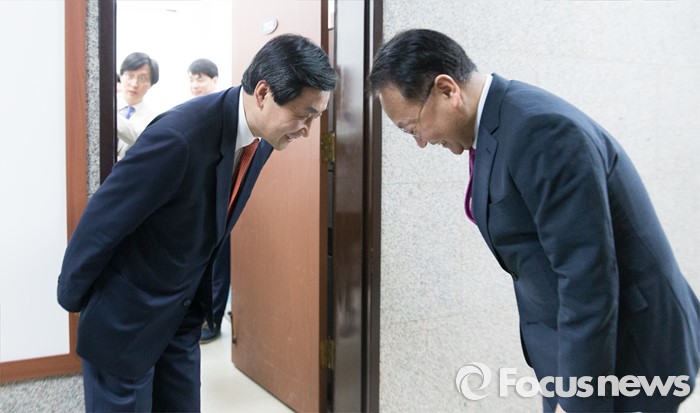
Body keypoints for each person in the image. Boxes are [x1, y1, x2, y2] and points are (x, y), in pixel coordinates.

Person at [368, 29, 699, 413]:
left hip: (630, 354)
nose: (421, 142)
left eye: (413, 128)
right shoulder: (498, 122)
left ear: (447, 90)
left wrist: (577, 401)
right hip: (575, 349)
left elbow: (586, 280)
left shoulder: (540, 131)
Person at [57, 34, 337, 412]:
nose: (307, 130)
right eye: (304, 114)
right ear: (263, 93)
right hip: (125, 322)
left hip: (180, 319)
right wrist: (74, 298)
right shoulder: (179, 137)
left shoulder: (262, 139)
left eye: (316, 117)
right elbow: (103, 219)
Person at [185, 57, 228, 344]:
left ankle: (213, 320)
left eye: (200, 78)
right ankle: (197, 316)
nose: (195, 84)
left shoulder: (226, 113)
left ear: (214, 80)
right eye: (191, 79)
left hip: (222, 197)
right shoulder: (188, 112)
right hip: (196, 200)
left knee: (219, 264)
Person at [116, 52, 160, 160]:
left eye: (142, 79)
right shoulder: (103, 102)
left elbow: (140, 140)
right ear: (121, 76)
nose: (134, 84)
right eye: (130, 76)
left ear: (151, 84)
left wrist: (108, 114)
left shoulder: (153, 118)